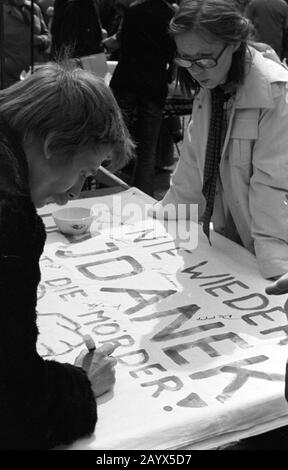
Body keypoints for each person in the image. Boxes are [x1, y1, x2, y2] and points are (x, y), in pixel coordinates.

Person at [0, 60, 133, 449]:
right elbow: (16, 407)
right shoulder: (9, 220)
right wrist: (81, 387)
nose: (74, 193)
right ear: (54, 144)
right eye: (83, 171)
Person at [152, 0, 288, 280]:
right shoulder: (212, 87)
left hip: (272, 249)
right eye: (185, 59)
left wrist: (277, 269)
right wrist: (159, 218)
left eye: (204, 58)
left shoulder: (275, 93)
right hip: (233, 244)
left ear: (235, 43)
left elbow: (273, 187)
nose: (195, 69)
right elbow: (191, 167)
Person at [109, 0, 176, 196]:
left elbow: (125, 42)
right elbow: (171, 50)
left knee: (114, 138)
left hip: (127, 79)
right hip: (154, 84)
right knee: (148, 149)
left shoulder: (134, 10)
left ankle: (109, 189)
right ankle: (143, 196)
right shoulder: (170, 13)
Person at [3, 0, 51, 87]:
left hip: (37, 73)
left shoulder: (35, 8)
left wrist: (40, 40)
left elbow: (46, 35)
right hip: (11, 77)